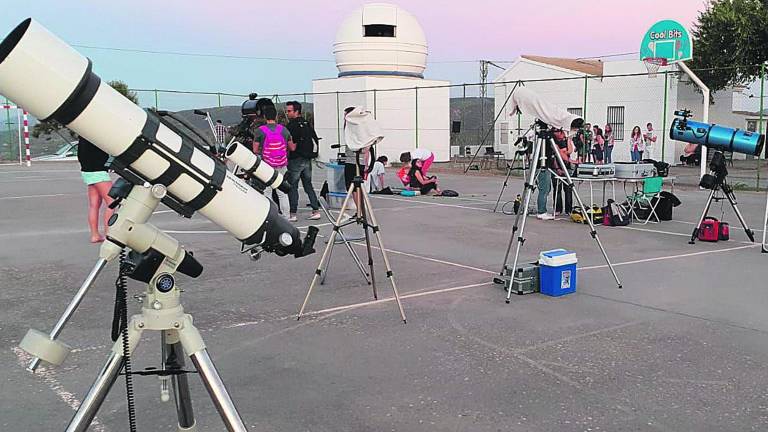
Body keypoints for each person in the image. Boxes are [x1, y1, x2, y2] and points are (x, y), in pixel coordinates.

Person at [253, 105, 295, 217]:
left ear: (265, 117)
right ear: (276, 116)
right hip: (282, 165)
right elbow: (292, 147)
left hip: (267, 165)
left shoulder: (260, 131)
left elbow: (255, 149)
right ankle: (286, 216)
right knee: (282, 193)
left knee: (267, 192)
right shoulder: (284, 129)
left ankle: (271, 216)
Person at [284, 101, 321, 222]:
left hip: (295, 159)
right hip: (307, 158)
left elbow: (290, 144)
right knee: (308, 185)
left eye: (289, 111)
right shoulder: (306, 124)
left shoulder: (292, 126)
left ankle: (293, 213)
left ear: (296, 111)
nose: (287, 113)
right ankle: (316, 210)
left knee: (292, 186)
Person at [77, 136, 114, 243]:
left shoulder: (83, 136)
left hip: (87, 171)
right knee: (112, 202)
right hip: (98, 171)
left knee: (94, 205)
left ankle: (95, 235)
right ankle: (108, 235)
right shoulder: (95, 135)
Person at [552, 129, 573, 215]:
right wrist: (557, 168)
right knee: (557, 189)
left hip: (567, 167)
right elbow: (554, 155)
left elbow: (569, 151)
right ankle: (557, 208)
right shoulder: (553, 142)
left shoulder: (565, 141)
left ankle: (569, 209)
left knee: (568, 189)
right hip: (557, 168)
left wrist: (568, 139)